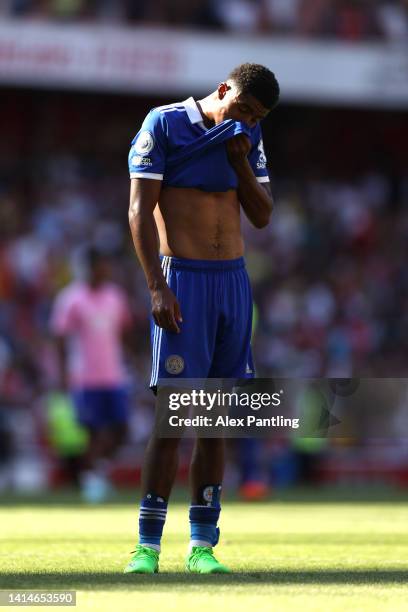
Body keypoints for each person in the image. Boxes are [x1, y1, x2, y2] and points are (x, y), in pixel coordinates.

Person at [125, 63, 280, 574]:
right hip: (183, 280)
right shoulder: (164, 124)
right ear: (222, 90)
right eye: (242, 108)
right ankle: (147, 546)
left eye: (256, 116)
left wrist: (239, 163)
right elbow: (139, 211)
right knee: (174, 419)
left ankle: (202, 547)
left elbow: (261, 214)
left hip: (232, 282)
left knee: (215, 424)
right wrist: (156, 286)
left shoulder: (247, 136)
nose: (248, 119)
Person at [50, 247, 133, 502]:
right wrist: (63, 375)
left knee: (121, 428)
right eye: (99, 265)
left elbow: (124, 332)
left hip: (114, 375)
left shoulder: (115, 297)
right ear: (87, 268)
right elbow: (60, 339)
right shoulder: (71, 299)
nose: (104, 270)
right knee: (92, 432)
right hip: (85, 377)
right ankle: (92, 481)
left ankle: (97, 472)